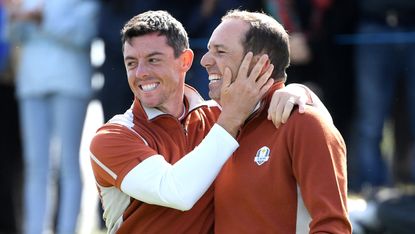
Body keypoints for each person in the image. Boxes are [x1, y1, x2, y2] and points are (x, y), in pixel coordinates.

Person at [89, 10, 330, 233]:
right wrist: (231, 118)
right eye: (131, 63)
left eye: (153, 60)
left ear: (184, 61)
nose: (140, 72)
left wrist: (299, 92)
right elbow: (177, 192)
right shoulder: (112, 138)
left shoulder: (219, 117)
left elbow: (314, 126)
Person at [200, 10, 351, 233]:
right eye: (208, 50)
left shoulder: (304, 123)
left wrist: (302, 91)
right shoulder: (215, 127)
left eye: (220, 52)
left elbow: (332, 227)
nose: (205, 61)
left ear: (261, 64)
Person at [7, 0, 100, 233]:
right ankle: (34, 229)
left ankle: (68, 228)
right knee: (35, 164)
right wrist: (16, 17)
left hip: (70, 82)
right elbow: (14, 35)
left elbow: (84, 33)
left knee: (68, 162)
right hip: (31, 83)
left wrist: (41, 20)